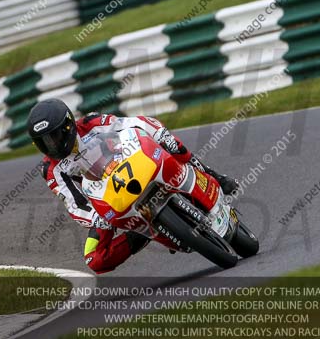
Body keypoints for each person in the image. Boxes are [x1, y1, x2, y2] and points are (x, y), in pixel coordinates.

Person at [26, 98, 239, 274]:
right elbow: (75, 203)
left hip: (135, 164)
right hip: (108, 202)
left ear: (68, 125)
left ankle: (211, 174)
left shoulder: (92, 123)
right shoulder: (51, 170)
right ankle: (143, 233)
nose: (51, 145)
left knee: (170, 143)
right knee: (94, 259)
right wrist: (97, 217)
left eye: (54, 137)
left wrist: (159, 135)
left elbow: (133, 125)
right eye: (44, 142)